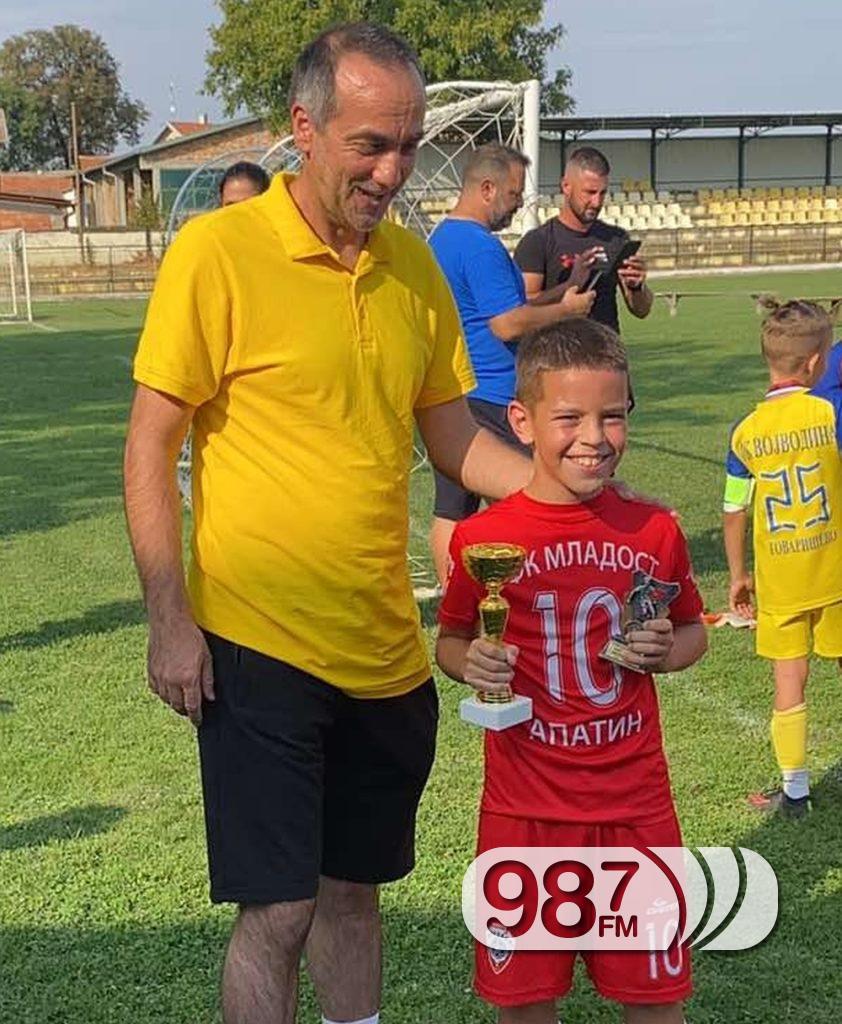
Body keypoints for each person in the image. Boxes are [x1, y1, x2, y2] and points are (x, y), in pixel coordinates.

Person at [123, 22, 533, 1024]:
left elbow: (454, 438)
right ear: (304, 129)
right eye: (370, 145)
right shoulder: (217, 253)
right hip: (257, 641)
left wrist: (564, 496)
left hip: (384, 649)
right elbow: (148, 447)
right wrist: (169, 618)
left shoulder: (411, 269)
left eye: (407, 146)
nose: (392, 171)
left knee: (354, 896)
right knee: (280, 910)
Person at [436, 318, 707, 1024]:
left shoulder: (654, 529)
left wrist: (665, 651)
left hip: (634, 808)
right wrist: (475, 663)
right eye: (570, 418)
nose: (595, 437)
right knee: (526, 1004)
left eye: (613, 416)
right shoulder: (483, 539)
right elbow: (451, 642)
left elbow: (692, 633)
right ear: (522, 422)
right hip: (524, 812)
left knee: (655, 1002)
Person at [427, 143, 596, 583]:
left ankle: (453, 595)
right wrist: (568, 311)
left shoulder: (442, 238)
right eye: (514, 193)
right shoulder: (480, 247)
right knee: (532, 496)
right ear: (487, 188)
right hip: (493, 394)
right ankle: (538, 586)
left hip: (459, 390)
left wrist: (564, 289)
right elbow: (506, 324)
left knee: (452, 508)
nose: (519, 202)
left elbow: (510, 306)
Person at [723, 299, 842, 819]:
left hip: (781, 582)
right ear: (815, 362)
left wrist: (738, 575)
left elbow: (734, 510)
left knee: (789, 681)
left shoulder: (744, 432)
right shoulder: (831, 414)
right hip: (836, 573)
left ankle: (795, 793)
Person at [514, 147, 653, 333]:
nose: (597, 202)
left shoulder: (616, 238)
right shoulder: (537, 241)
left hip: (605, 348)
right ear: (566, 186)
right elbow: (523, 306)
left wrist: (637, 287)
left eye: (602, 193)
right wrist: (571, 285)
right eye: (589, 192)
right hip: (558, 349)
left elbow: (641, 310)